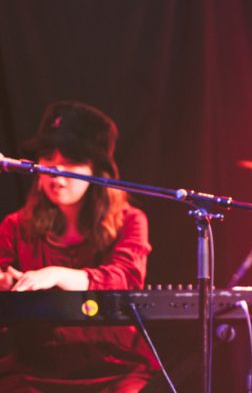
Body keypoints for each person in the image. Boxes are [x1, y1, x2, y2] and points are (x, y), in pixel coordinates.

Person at [0, 101, 158, 391]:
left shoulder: (130, 220)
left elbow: (126, 279)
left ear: (97, 170)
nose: (56, 170)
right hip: (37, 366)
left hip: (115, 364)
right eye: (48, 157)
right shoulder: (16, 225)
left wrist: (57, 275)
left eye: (71, 159)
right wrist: (7, 287)